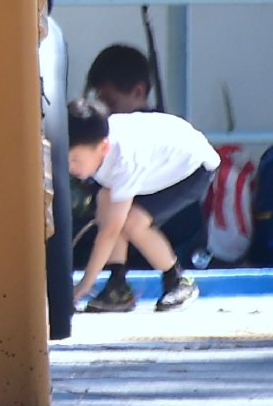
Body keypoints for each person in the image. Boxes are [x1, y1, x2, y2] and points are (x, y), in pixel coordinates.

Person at [68, 96, 217, 313]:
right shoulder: (100, 145)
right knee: (107, 209)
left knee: (130, 223)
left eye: (76, 160)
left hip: (194, 165)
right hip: (156, 163)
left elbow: (110, 232)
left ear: (103, 147)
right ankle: (117, 286)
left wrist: (83, 286)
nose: (71, 168)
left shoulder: (125, 159)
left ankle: (177, 280)